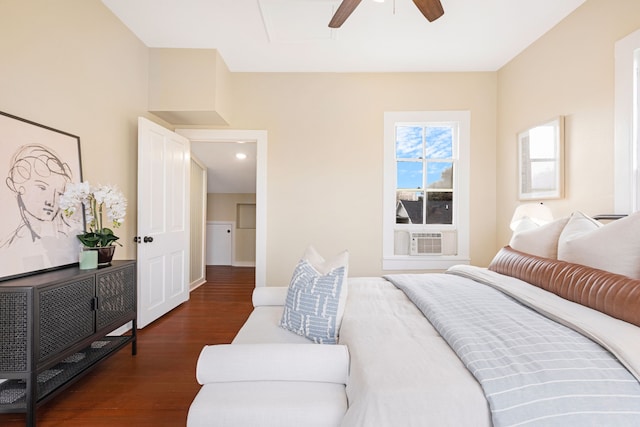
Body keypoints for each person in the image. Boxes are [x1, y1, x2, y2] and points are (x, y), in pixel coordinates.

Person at [1, 144, 75, 248]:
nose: (51, 201)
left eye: (59, 193)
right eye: (42, 188)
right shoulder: (11, 248)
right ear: (18, 187)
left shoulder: (70, 238)